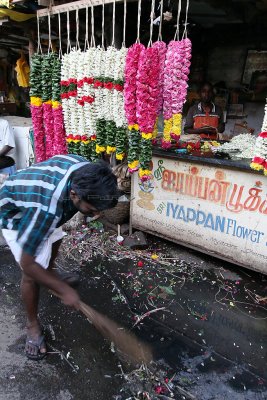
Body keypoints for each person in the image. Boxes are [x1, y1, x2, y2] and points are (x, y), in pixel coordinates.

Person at [0, 154, 119, 360]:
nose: (96, 216)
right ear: (73, 194)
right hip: (16, 214)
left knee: (55, 236)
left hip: (42, 201)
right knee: (31, 275)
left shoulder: (86, 170)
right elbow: (28, 265)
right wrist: (64, 290)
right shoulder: (45, 209)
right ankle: (32, 326)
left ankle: (51, 273)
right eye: (92, 210)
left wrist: (55, 281)